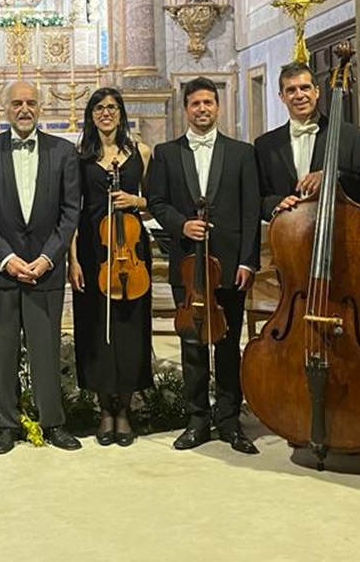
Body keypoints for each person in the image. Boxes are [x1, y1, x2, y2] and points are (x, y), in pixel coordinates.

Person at [148, 77, 261, 454]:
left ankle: (229, 420)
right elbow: (157, 201)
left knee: (229, 345)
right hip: (188, 266)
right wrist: (182, 224)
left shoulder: (242, 153)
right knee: (193, 344)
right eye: (195, 104)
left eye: (208, 103)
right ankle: (196, 419)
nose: (202, 109)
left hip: (229, 264)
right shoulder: (165, 153)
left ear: (219, 106)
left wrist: (248, 260)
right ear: (185, 109)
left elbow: (249, 212)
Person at [0, 80, 81, 454]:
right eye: (17, 102)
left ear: (40, 108)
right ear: (5, 108)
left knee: (46, 349)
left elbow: (70, 212)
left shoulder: (64, 152)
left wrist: (48, 257)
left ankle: (52, 421)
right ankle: (6, 424)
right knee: (2, 350)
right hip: (4, 269)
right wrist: (7, 258)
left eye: (31, 103)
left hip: (46, 268)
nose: (24, 109)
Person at [68, 87, 152, 447]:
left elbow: (158, 202)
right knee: (95, 330)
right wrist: (72, 258)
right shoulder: (79, 156)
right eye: (99, 108)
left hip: (130, 250)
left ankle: (126, 409)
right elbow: (70, 210)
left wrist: (136, 200)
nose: (106, 113)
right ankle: (105, 409)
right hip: (91, 250)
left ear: (122, 112)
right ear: (91, 115)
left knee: (130, 328)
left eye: (112, 107)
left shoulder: (141, 152)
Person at [254, 61, 360, 222]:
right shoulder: (265, 145)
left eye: (305, 88)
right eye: (291, 90)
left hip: (341, 233)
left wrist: (332, 176)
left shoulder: (350, 136)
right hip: (288, 236)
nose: (299, 95)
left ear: (317, 91)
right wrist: (274, 204)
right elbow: (256, 198)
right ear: (282, 97)